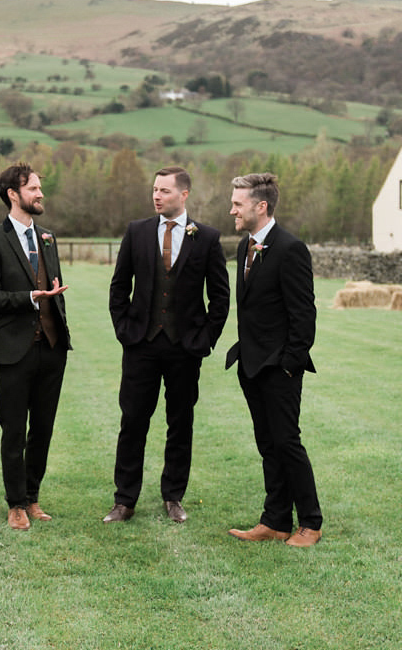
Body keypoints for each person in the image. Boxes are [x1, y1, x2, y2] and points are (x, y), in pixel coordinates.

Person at [104, 166, 230, 524]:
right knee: (133, 422)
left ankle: (173, 496)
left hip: (184, 349)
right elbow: (118, 288)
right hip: (141, 344)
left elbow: (220, 298)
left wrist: (204, 339)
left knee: (180, 423)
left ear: (184, 195)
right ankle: (124, 500)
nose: (157, 196)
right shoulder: (137, 232)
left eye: (164, 191)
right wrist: (125, 331)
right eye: (154, 189)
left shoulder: (206, 238)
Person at [225, 172, 322, 547]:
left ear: (260, 206)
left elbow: (304, 314)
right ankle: (276, 521)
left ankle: (310, 523)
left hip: (280, 367)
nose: (231, 209)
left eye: (237, 203)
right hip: (250, 366)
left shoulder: (290, 248)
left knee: (287, 443)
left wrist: (289, 363)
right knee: (268, 445)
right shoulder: (243, 247)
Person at [0, 164, 71, 530]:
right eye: (32, 188)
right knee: (14, 429)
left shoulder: (48, 237)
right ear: (13, 194)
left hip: (52, 347)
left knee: (43, 429)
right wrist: (31, 296)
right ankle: (14, 503)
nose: (40, 193)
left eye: (39, 187)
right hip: (13, 350)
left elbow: (54, 285)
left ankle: (32, 498)